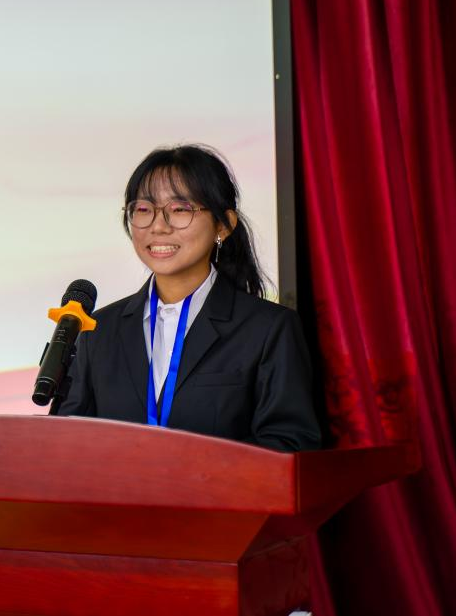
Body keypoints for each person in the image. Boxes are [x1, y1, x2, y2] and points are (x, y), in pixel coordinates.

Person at [55, 144, 321, 452]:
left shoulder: (269, 329)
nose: (158, 226)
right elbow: (67, 443)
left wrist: (188, 471)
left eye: (180, 209)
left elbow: (290, 445)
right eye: (143, 209)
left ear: (224, 225)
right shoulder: (98, 330)